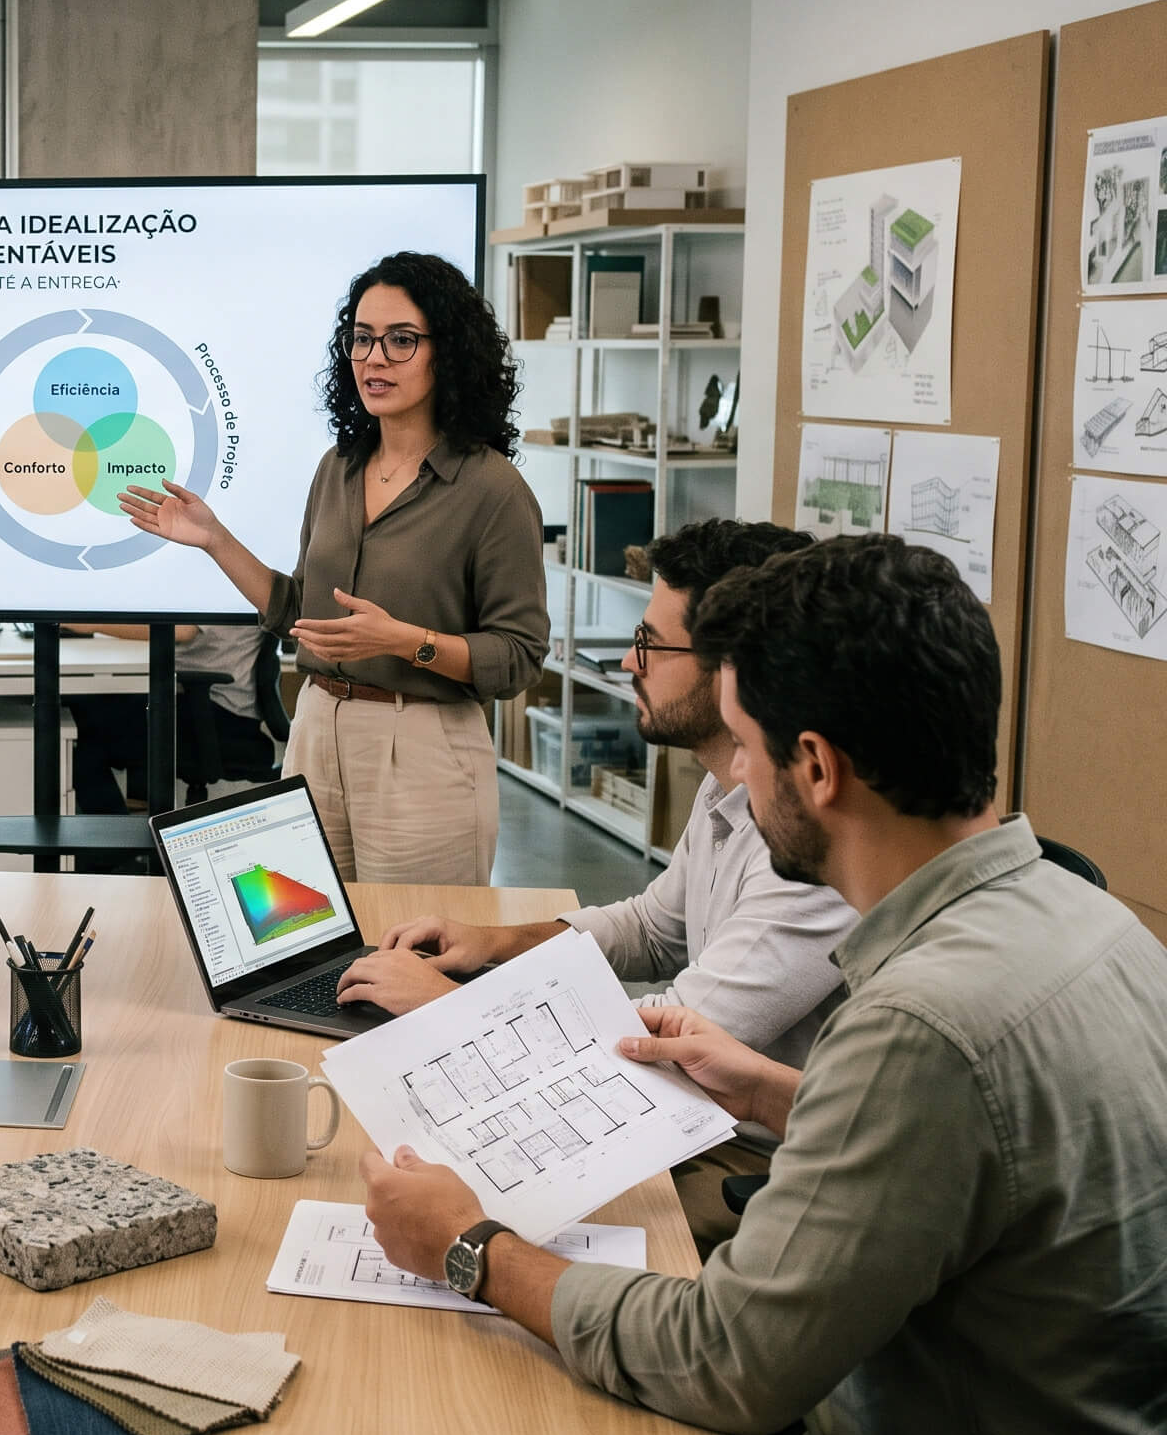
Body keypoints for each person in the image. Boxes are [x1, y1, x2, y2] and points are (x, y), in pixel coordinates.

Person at [358, 537, 1167, 1435]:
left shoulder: (920, 1026)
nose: (731, 776)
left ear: (813, 767)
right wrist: (788, 1094)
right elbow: (989, 1158)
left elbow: (724, 1361)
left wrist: (467, 1247)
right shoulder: (1096, 925)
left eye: (742, 747)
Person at [334, 519, 853, 1249]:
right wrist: (495, 943)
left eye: (649, 645)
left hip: (742, 1163)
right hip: (671, 1117)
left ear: (735, 666)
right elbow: (652, 926)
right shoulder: (727, 779)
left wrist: (455, 1008)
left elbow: (675, 1041)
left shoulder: (810, 848)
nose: (627, 664)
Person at [121, 252, 548, 884]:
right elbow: (300, 612)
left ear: (449, 352)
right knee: (307, 945)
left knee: (416, 957)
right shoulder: (339, 467)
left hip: (422, 744)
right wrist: (215, 539)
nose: (375, 358)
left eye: (401, 341)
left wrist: (406, 642)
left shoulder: (491, 488)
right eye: (362, 339)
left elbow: (518, 656)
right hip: (316, 729)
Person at [61, 624, 278, 815]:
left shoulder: (224, 585)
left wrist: (93, 624)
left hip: (211, 711)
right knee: (82, 713)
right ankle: (111, 847)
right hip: (192, 697)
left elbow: (183, 630)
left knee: (76, 731)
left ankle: (111, 854)